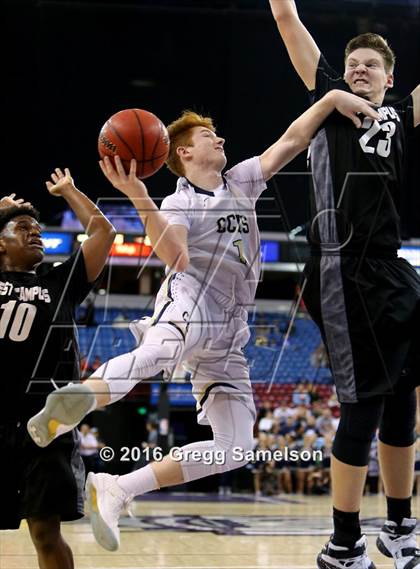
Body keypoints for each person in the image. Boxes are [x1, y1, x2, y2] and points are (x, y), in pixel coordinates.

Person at [27, 93, 379, 552]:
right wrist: (138, 195)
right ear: (183, 153)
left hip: (231, 330)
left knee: (237, 447)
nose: (222, 138)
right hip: (191, 298)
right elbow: (176, 257)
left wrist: (330, 99)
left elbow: (294, 139)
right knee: (157, 351)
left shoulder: (242, 180)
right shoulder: (178, 202)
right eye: (209, 135)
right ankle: (75, 403)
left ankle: (118, 487)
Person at [269, 1, 420, 568]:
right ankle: (344, 542)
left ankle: (401, 528)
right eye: (352, 63)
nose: (358, 70)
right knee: (362, 411)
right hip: (341, 268)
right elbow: (288, 20)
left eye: (370, 66)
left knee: (404, 403)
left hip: (392, 266)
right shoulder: (330, 101)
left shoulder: (403, 112)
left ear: (390, 77)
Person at [0, 169, 115, 569]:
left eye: (38, 229)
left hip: (46, 427)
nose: (35, 233)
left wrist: (69, 191)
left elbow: (103, 234)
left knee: (47, 533)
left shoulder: (59, 282)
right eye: (22, 227)